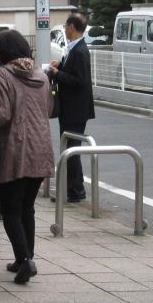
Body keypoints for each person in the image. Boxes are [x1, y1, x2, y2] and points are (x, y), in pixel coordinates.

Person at [0, 30, 54, 284]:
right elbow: (48, 109)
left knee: (10, 208)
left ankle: (25, 260)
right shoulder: (41, 75)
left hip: (16, 148)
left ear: (2, 52)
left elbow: (1, 115)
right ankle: (25, 259)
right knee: (28, 207)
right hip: (41, 148)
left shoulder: (2, 75)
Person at [49, 12, 95, 202]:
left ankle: (75, 191)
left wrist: (57, 73)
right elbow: (74, 72)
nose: (65, 30)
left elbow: (79, 80)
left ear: (71, 27)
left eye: (66, 26)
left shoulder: (81, 51)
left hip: (75, 110)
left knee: (71, 150)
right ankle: (73, 189)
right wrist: (60, 65)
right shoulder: (75, 48)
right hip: (72, 108)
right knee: (70, 149)